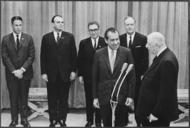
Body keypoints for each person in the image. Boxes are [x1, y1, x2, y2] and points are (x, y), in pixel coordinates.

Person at [92, 27, 136, 127]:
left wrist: (130, 95)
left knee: (120, 123)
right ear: (106, 40)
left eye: (117, 39)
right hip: (104, 95)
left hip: (122, 95)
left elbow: (132, 77)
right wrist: (95, 97)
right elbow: (94, 78)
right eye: (112, 40)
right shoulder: (98, 54)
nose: (116, 42)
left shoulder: (127, 52)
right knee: (107, 123)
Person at [135, 32, 179, 127]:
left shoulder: (167, 61)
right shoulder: (161, 57)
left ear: (157, 44)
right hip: (150, 112)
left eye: (149, 44)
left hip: (156, 116)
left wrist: (155, 114)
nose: (146, 46)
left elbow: (166, 93)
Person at [40, 15, 77, 127]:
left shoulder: (69, 37)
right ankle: (53, 120)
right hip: (51, 74)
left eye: (62, 22)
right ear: (53, 24)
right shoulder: (46, 37)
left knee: (63, 98)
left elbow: (73, 56)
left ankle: (62, 120)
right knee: (52, 98)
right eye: (58, 22)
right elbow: (43, 56)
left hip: (65, 74)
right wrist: (43, 72)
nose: (61, 24)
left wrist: (73, 71)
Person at [1, 16, 35, 127]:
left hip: (25, 73)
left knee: (24, 97)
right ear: (12, 25)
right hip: (11, 74)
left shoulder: (29, 38)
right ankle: (14, 120)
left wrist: (21, 70)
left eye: (20, 25)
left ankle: (24, 120)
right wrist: (14, 71)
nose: (18, 27)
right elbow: (5, 57)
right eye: (16, 25)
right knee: (13, 97)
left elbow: (31, 56)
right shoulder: (5, 39)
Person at [119, 16, 149, 126]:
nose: (129, 26)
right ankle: (124, 120)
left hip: (137, 75)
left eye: (131, 24)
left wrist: (143, 74)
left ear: (134, 24)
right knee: (122, 98)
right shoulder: (120, 38)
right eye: (127, 24)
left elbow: (145, 59)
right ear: (124, 25)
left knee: (137, 99)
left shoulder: (142, 38)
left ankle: (139, 121)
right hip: (123, 74)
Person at [77, 21, 107, 127]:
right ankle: (89, 120)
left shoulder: (105, 42)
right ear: (88, 31)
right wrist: (80, 75)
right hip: (88, 76)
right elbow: (80, 60)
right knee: (89, 98)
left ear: (99, 30)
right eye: (91, 30)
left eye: (95, 30)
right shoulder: (83, 43)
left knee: (100, 98)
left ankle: (98, 121)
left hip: (102, 76)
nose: (93, 32)